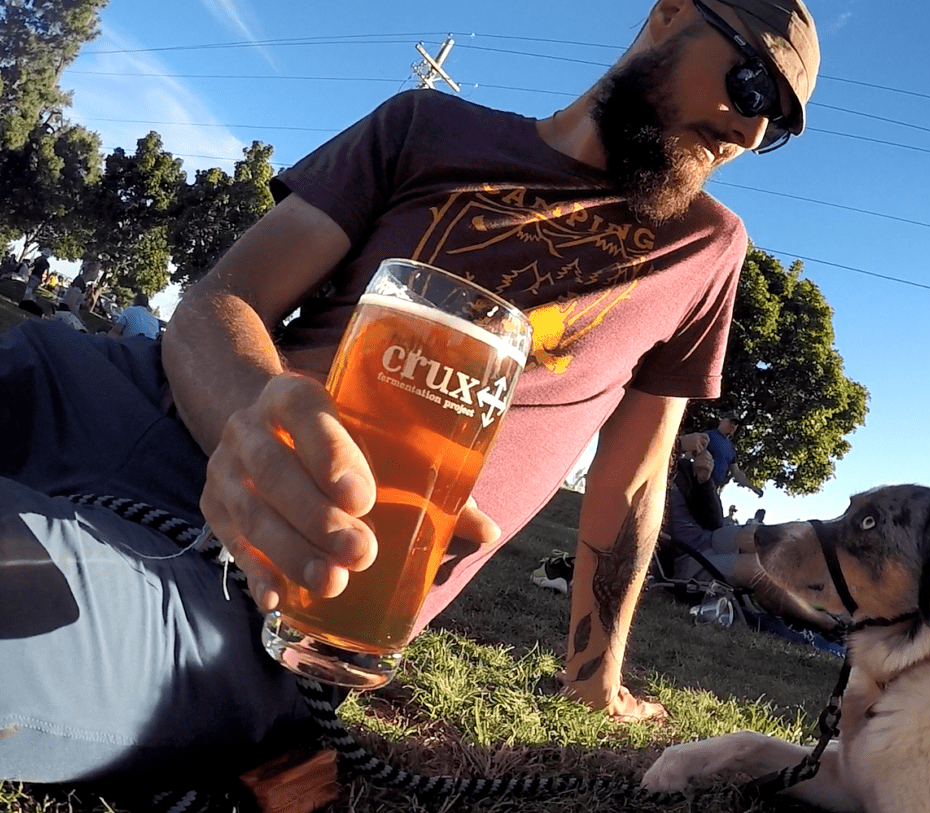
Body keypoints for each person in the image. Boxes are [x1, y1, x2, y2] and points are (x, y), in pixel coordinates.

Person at [0, 0, 821, 783]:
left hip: (301, 577)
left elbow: (636, 479)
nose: (748, 132)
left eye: (777, 129)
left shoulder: (705, 250)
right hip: (120, 398)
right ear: (670, 14)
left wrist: (591, 676)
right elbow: (225, 298)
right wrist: (249, 418)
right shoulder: (424, 126)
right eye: (752, 85)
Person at [667, 452, 834, 629]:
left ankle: (826, 588)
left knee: (766, 537)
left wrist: (705, 482)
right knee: (757, 568)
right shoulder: (647, 472)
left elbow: (714, 521)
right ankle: (824, 622)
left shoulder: (683, 468)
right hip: (686, 557)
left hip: (710, 537)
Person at [703, 413, 764, 497]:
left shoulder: (730, 448)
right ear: (721, 421)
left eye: (736, 424)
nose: (734, 426)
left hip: (713, 489)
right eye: (731, 422)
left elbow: (736, 472)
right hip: (699, 484)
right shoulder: (708, 435)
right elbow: (689, 453)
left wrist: (753, 487)